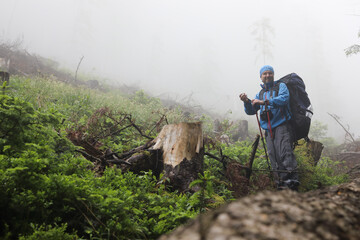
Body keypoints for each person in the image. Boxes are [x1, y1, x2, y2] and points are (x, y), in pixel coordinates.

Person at [239, 65, 299, 191]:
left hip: (282, 125)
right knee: (273, 156)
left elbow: (284, 99)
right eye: (265, 74)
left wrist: (265, 102)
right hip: (268, 129)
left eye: (270, 73)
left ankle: (292, 184)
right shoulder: (260, 93)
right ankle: (280, 185)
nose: (267, 75)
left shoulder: (281, 86)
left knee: (285, 153)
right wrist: (246, 101)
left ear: (273, 75)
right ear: (261, 77)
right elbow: (251, 111)